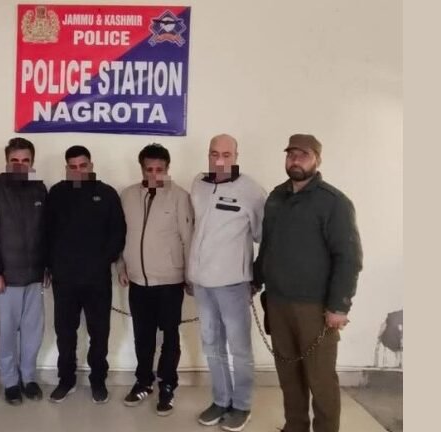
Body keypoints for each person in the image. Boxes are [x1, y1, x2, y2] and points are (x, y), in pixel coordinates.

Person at [254, 134, 363, 432]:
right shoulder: (276, 197)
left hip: (316, 308)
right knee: (289, 377)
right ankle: (295, 427)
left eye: (303, 155)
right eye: (291, 154)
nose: (295, 160)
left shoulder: (334, 202)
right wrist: (255, 279)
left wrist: (339, 306)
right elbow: (268, 246)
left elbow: (349, 258)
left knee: (321, 379)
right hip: (277, 303)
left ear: (317, 159)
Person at [188, 134, 267, 432]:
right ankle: (221, 400)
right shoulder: (198, 184)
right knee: (211, 345)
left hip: (233, 284)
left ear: (236, 156)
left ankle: (242, 405)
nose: (219, 160)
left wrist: (256, 278)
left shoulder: (251, 191)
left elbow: (264, 236)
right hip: (202, 284)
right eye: (214, 153)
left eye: (226, 154)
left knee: (239, 349)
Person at [116, 143, 194, 416]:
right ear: (141, 169)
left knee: (170, 337)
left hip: (170, 281)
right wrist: (122, 266)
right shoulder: (127, 196)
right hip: (138, 281)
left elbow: (188, 239)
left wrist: (189, 276)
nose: (154, 174)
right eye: (148, 169)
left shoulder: (180, 196)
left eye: (159, 169)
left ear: (167, 169)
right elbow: (121, 236)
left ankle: (168, 384)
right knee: (143, 336)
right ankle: (144, 381)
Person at [45, 145, 126, 404]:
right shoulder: (56, 193)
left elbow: (118, 232)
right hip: (64, 279)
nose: (78, 171)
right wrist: (50, 265)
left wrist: (102, 261)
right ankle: (66, 380)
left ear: (91, 165)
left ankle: (98, 380)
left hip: (97, 278)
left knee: (99, 333)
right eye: (73, 167)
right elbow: (46, 232)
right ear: (66, 168)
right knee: (65, 333)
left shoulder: (107, 193)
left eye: (83, 166)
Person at [0, 137, 49, 405]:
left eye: (25, 161)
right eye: (14, 160)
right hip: (5, 277)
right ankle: (10, 381)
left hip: (35, 276)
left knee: (33, 332)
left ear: (32, 162)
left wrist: (46, 267)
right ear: (7, 161)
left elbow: (45, 231)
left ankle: (28, 377)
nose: (20, 165)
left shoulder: (39, 189)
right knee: (7, 332)